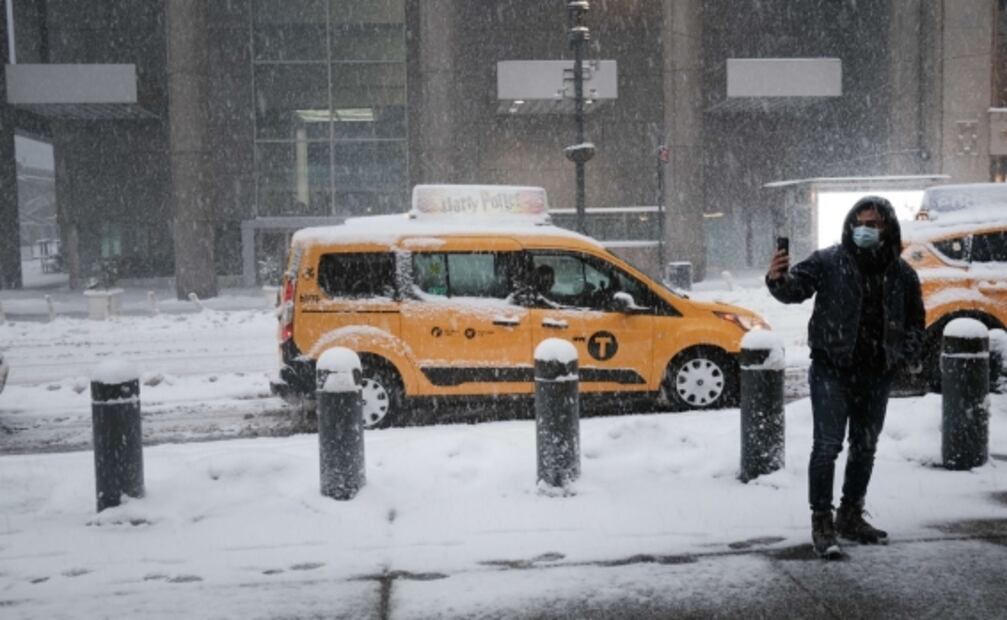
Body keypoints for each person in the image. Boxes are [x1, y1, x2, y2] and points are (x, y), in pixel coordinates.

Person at [766, 196, 925, 559]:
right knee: (827, 446)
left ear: (888, 229)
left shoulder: (901, 273)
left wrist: (901, 355)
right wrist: (777, 279)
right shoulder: (829, 261)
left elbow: (916, 322)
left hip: (876, 374)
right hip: (831, 370)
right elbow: (794, 290)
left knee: (865, 447)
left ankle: (850, 514)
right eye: (860, 222)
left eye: (874, 224)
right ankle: (822, 520)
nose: (865, 229)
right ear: (850, 225)